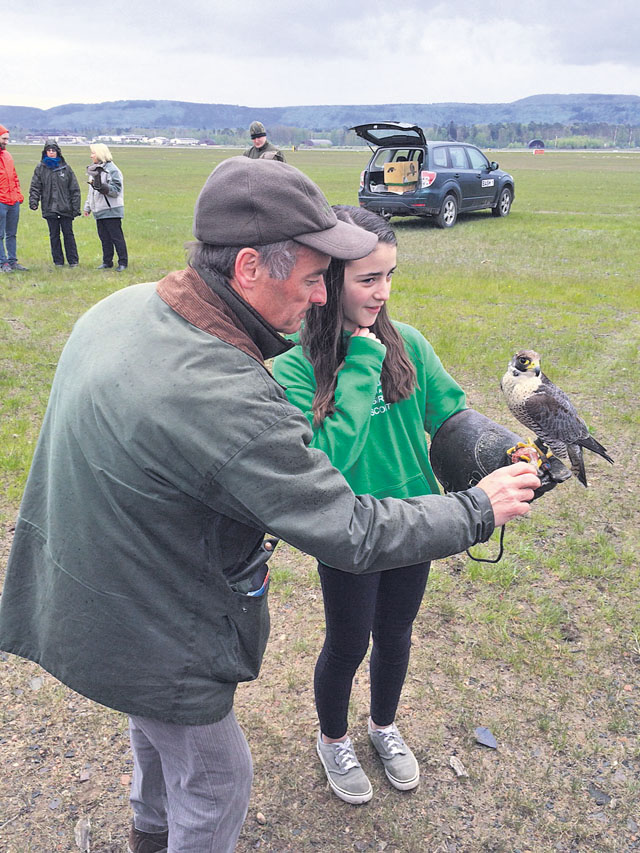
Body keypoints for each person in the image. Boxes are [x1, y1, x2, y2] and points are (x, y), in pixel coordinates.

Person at [0, 157, 540, 853]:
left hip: (95, 587)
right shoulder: (233, 395)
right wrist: (476, 508)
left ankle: (148, 831)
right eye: (317, 277)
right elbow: (347, 525)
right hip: (155, 620)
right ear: (250, 266)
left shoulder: (127, 308)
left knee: (155, 736)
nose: (324, 297)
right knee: (219, 780)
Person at [274, 205, 487, 803]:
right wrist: (362, 361)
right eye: (369, 279)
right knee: (348, 642)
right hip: (349, 532)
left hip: (415, 522)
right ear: (330, 280)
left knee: (396, 633)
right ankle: (333, 737)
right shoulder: (296, 368)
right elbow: (324, 464)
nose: (384, 292)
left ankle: (383, 727)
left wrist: (499, 449)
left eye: (390, 276)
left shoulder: (409, 345)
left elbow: (449, 417)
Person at [29, 140, 81, 267]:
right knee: (54, 235)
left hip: (65, 207)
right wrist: (34, 201)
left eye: (53, 150)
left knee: (68, 234)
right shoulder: (40, 168)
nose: (51, 153)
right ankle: (58, 261)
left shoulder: (66, 168)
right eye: (49, 150)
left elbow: (74, 189)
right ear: (45, 152)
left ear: (58, 152)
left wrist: (75, 208)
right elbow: (35, 186)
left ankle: (73, 261)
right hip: (49, 207)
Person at [83, 143, 128, 271]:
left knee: (116, 237)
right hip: (99, 210)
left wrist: (103, 187)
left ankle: (123, 262)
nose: (91, 155)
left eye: (93, 153)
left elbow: (116, 190)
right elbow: (91, 192)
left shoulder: (112, 170)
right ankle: (107, 261)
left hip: (111, 210)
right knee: (104, 238)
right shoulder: (94, 170)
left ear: (100, 154)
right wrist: (88, 207)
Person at [0, 123, 28, 272]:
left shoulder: (8, 155)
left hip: (13, 201)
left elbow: (14, 177)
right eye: (4, 138)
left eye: (7, 139)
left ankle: (12, 261)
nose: (6, 142)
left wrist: (18, 196)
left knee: (12, 233)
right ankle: (2, 263)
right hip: (1, 202)